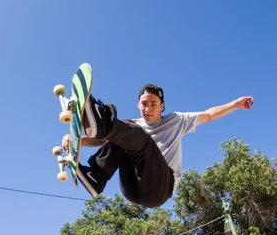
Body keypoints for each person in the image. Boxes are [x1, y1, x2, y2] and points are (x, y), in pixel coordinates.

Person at [62, 84, 254, 208]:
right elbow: (101, 140)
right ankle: (95, 178)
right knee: (123, 134)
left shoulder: (176, 120)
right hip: (131, 188)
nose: (148, 109)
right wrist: (76, 139)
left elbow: (209, 115)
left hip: (159, 189)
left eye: (154, 104)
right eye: (144, 104)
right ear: (138, 105)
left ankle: (101, 117)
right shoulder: (132, 127)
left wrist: (236, 104)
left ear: (162, 106)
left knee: (137, 136)